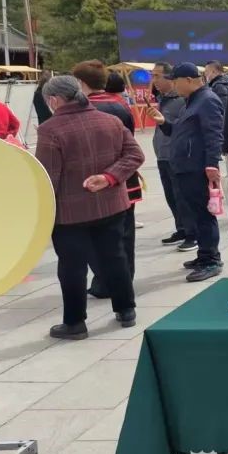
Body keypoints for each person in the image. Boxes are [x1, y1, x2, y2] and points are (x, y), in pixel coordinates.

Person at [35, 75, 144, 339]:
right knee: (115, 256)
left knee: (72, 266)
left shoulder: (50, 130)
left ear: (54, 100)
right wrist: (109, 177)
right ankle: (126, 310)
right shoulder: (110, 121)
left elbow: (48, 177)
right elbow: (135, 155)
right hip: (111, 204)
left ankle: (75, 323)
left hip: (70, 213)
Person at [151, 63, 225, 282]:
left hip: (197, 167)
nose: (174, 85)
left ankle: (211, 260)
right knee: (195, 214)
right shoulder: (191, 101)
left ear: (189, 80)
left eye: (175, 81)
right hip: (184, 167)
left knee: (204, 215)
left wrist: (212, 164)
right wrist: (164, 123)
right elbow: (180, 131)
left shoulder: (207, 100)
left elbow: (214, 134)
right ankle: (204, 254)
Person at [72, 60, 141, 293]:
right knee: (125, 235)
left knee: (99, 237)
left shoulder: (85, 109)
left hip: (98, 180)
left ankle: (106, 282)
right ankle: (125, 278)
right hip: (126, 176)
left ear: (81, 82)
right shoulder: (120, 105)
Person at [149, 63, 191, 247]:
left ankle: (191, 234)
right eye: (153, 76)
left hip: (176, 156)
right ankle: (181, 228)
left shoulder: (182, 101)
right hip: (162, 155)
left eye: (157, 76)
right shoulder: (163, 99)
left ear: (170, 77)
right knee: (171, 197)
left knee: (182, 197)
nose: (154, 80)